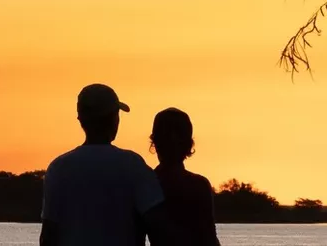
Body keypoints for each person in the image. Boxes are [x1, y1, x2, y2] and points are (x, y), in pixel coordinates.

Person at [41, 84, 170, 246]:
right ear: (113, 119)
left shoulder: (58, 169)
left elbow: (48, 235)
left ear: (80, 119)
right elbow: (158, 230)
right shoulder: (133, 165)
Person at [149, 108, 220, 246]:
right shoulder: (199, 185)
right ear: (188, 145)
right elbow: (209, 237)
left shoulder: (146, 183)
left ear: (155, 143)